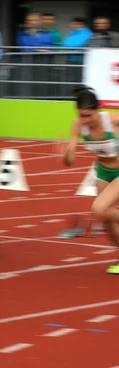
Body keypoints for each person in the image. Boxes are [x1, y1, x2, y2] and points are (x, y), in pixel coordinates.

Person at [59, 85, 119, 274]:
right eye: (81, 115)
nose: (85, 120)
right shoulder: (78, 126)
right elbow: (69, 162)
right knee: (105, 219)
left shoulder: (113, 121)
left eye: (89, 115)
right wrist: (66, 152)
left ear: (98, 109)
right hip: (103, 172)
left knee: (99, 209)